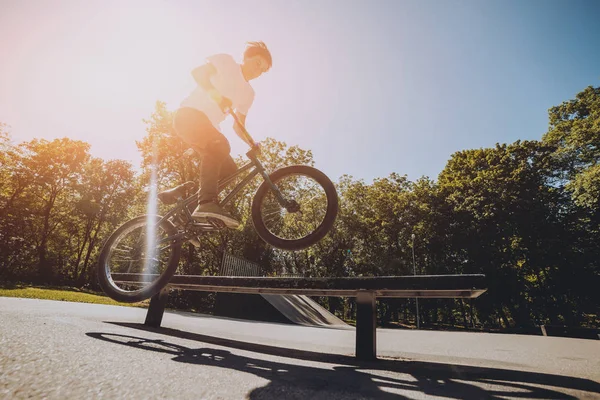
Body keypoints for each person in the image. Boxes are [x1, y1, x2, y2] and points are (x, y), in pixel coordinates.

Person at [173, 41, 272, 229]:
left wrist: (252, 143)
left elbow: (238, 126)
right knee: (220, 144)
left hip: (207, 129)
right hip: (188, 116)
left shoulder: (249, 94)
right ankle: (207, 203)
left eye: (263, 70)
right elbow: (198, 73)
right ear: (246, 57)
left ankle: (184, 216)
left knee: (229, 170)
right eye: (258, 63)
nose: (259, 71)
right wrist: (216, 95)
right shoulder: (227, 63)